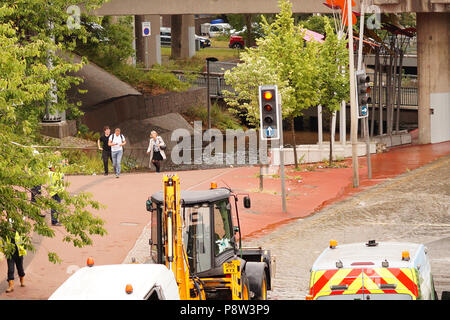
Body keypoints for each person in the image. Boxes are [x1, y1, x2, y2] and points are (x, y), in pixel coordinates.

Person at [0, 226, 27, 293]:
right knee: (10, 270)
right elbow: (1, 244)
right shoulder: (5, 235)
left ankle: (22, 280)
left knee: (20, 269)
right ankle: (11, 286)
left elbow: (24, 241)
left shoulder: (19, 232)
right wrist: (3, 253)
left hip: (19, 254)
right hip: (10, 255)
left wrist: (23, 248)